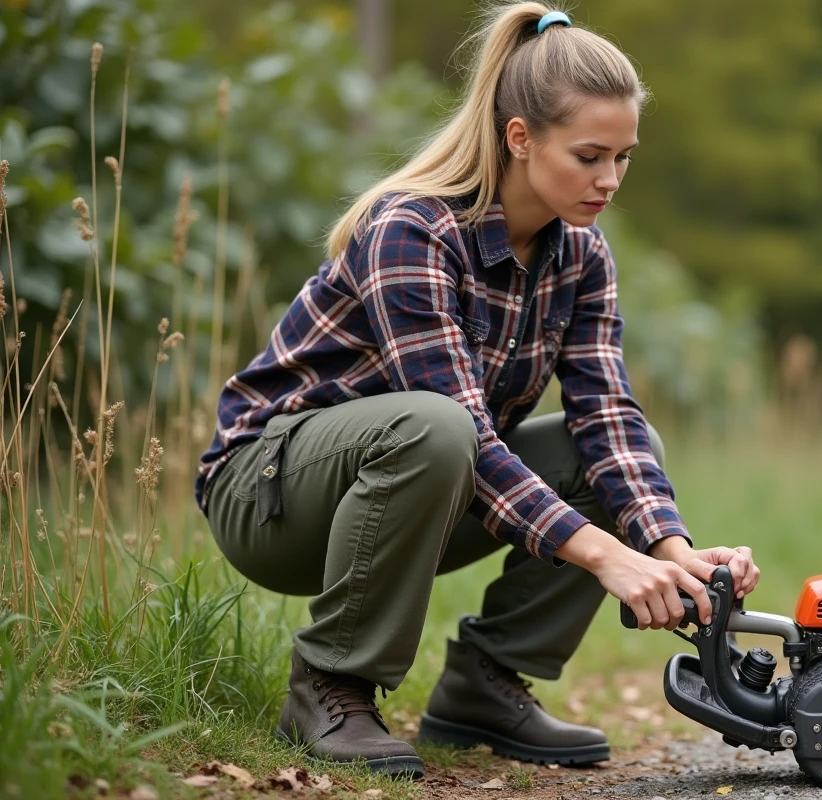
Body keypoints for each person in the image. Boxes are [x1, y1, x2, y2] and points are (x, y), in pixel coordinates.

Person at [196, 1, 760, 779]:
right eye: (589, 155)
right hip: (272, 497)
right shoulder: (412, 229)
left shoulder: (582, 256)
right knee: (437, 427)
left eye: (623, 157)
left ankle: (483, 686)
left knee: (610, 454)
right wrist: (607, 558)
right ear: (520, 138)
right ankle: (329, 686)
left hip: (417, 482)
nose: (609, 180)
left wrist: (673, 554)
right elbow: (455, 421)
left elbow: (608, 417)